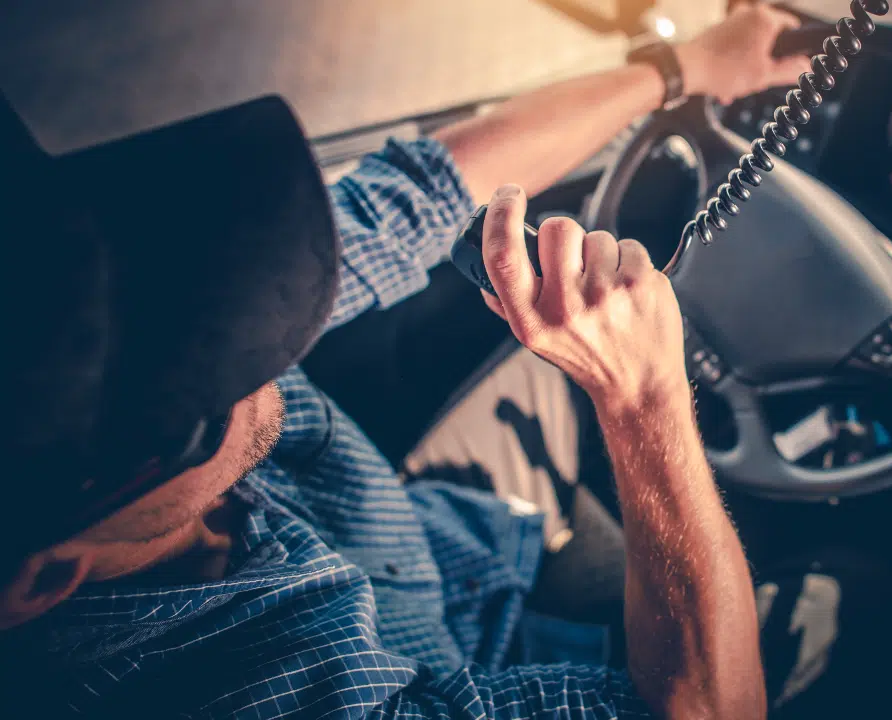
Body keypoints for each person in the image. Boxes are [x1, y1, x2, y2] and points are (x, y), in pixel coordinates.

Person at [0, 5, 813, 717]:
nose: (253, 351)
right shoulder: (242, 697)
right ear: (41, 582)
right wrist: (643, 397)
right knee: (806, 621)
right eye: (192, 402)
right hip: (480, 677)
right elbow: (706, 712)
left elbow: (416, 199)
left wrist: (685, 66)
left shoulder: (96, 357)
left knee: (533, 394)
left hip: (456, 538)